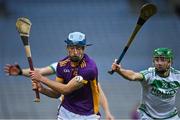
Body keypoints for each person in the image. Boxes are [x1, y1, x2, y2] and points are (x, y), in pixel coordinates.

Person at [5, 32, 114, 119]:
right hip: (65, 113)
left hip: (88, 116)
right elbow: (53, 90)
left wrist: (107, 111)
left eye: (79, 48)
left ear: (84, 49)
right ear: (67, 48)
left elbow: (66, 90)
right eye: (72, 47)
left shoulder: (89, 68)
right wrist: (41, 89)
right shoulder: (61, 65)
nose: (75, 52)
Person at [4, 62, 114, 119]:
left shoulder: (87, 70)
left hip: (85, 114)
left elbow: (98, 91)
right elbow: (39, 72)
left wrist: (107, 111)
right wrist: (21, 72)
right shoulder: (60, 65)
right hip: (67, 112)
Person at [111, 48, 180, 120]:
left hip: (171, 117)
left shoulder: (177, 76)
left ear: (170, 62)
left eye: (162, 60)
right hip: (148, 116)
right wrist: (119, 70)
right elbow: (133, 76)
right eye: (156, 60)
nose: (159, 63)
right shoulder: (149, 74)